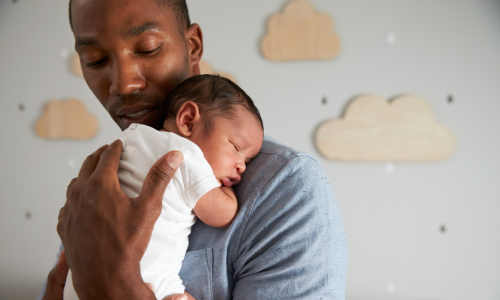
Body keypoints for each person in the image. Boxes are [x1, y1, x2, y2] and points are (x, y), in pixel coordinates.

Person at [40, 0, 348, 299]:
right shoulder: (99, 182)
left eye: (147, 48)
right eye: (95, 59)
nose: (122, 84)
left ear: (193, 47)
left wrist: (118, 288)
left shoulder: (285, 188)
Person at [63, 74, 264, 299]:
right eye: (236, 147)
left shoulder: (132, 139)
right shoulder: (186, 154)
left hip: (78, 280)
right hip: (147, 278)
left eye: (247, 161)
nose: (242, 167)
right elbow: (222, 214)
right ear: (188, 120)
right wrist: (225, 189)